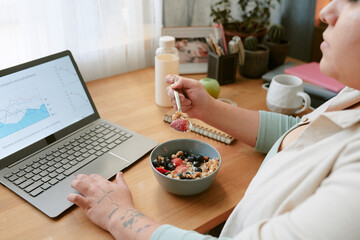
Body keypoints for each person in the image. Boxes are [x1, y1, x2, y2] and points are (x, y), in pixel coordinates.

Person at [67, 0, 360, 239]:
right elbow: (305, 134)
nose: (325, 11)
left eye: (353, 0)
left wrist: (119, 216)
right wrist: (208, 109)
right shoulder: (353, 93)